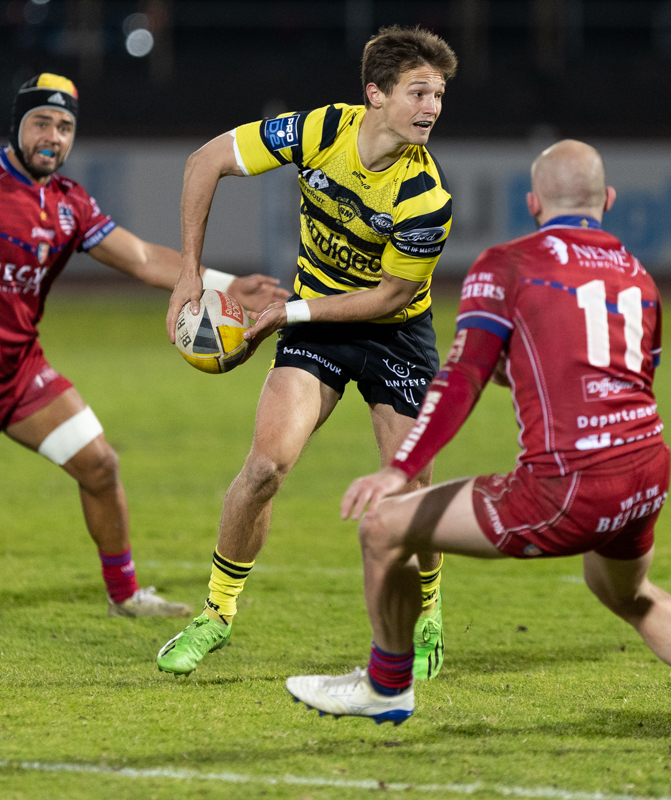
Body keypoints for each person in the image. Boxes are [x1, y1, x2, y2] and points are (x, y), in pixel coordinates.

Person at [284, 140, 671, 753]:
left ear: (532, 205)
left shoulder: (509, 264)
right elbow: (627, 376)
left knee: (385, 528)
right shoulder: (638, 275)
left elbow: (462, 377)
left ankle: (387, 686)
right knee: (627, 593)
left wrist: (401, 468)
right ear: (607, 201)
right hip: (645, 472)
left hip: (568, 483)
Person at [0, 73, 289, 613]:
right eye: (42, 122)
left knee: (101, 465)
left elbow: (138, 257)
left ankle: (126, 596)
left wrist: (228, 285)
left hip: (19, 373)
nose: (54, 136)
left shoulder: (70, 203)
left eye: (65, 126)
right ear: (18, 125)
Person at [157, 26, 457, 678]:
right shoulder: (319, 131)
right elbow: (205, 160)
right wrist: (190, 271)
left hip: (394, 335)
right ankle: (215, 615)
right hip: (316, 326)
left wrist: (284, 313)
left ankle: (429, 608)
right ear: (375, 93)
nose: (431, 107)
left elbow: (386, 297)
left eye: (437, 93)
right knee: (265, 468)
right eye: (417, 91)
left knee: (408, 490)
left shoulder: (426, 198)